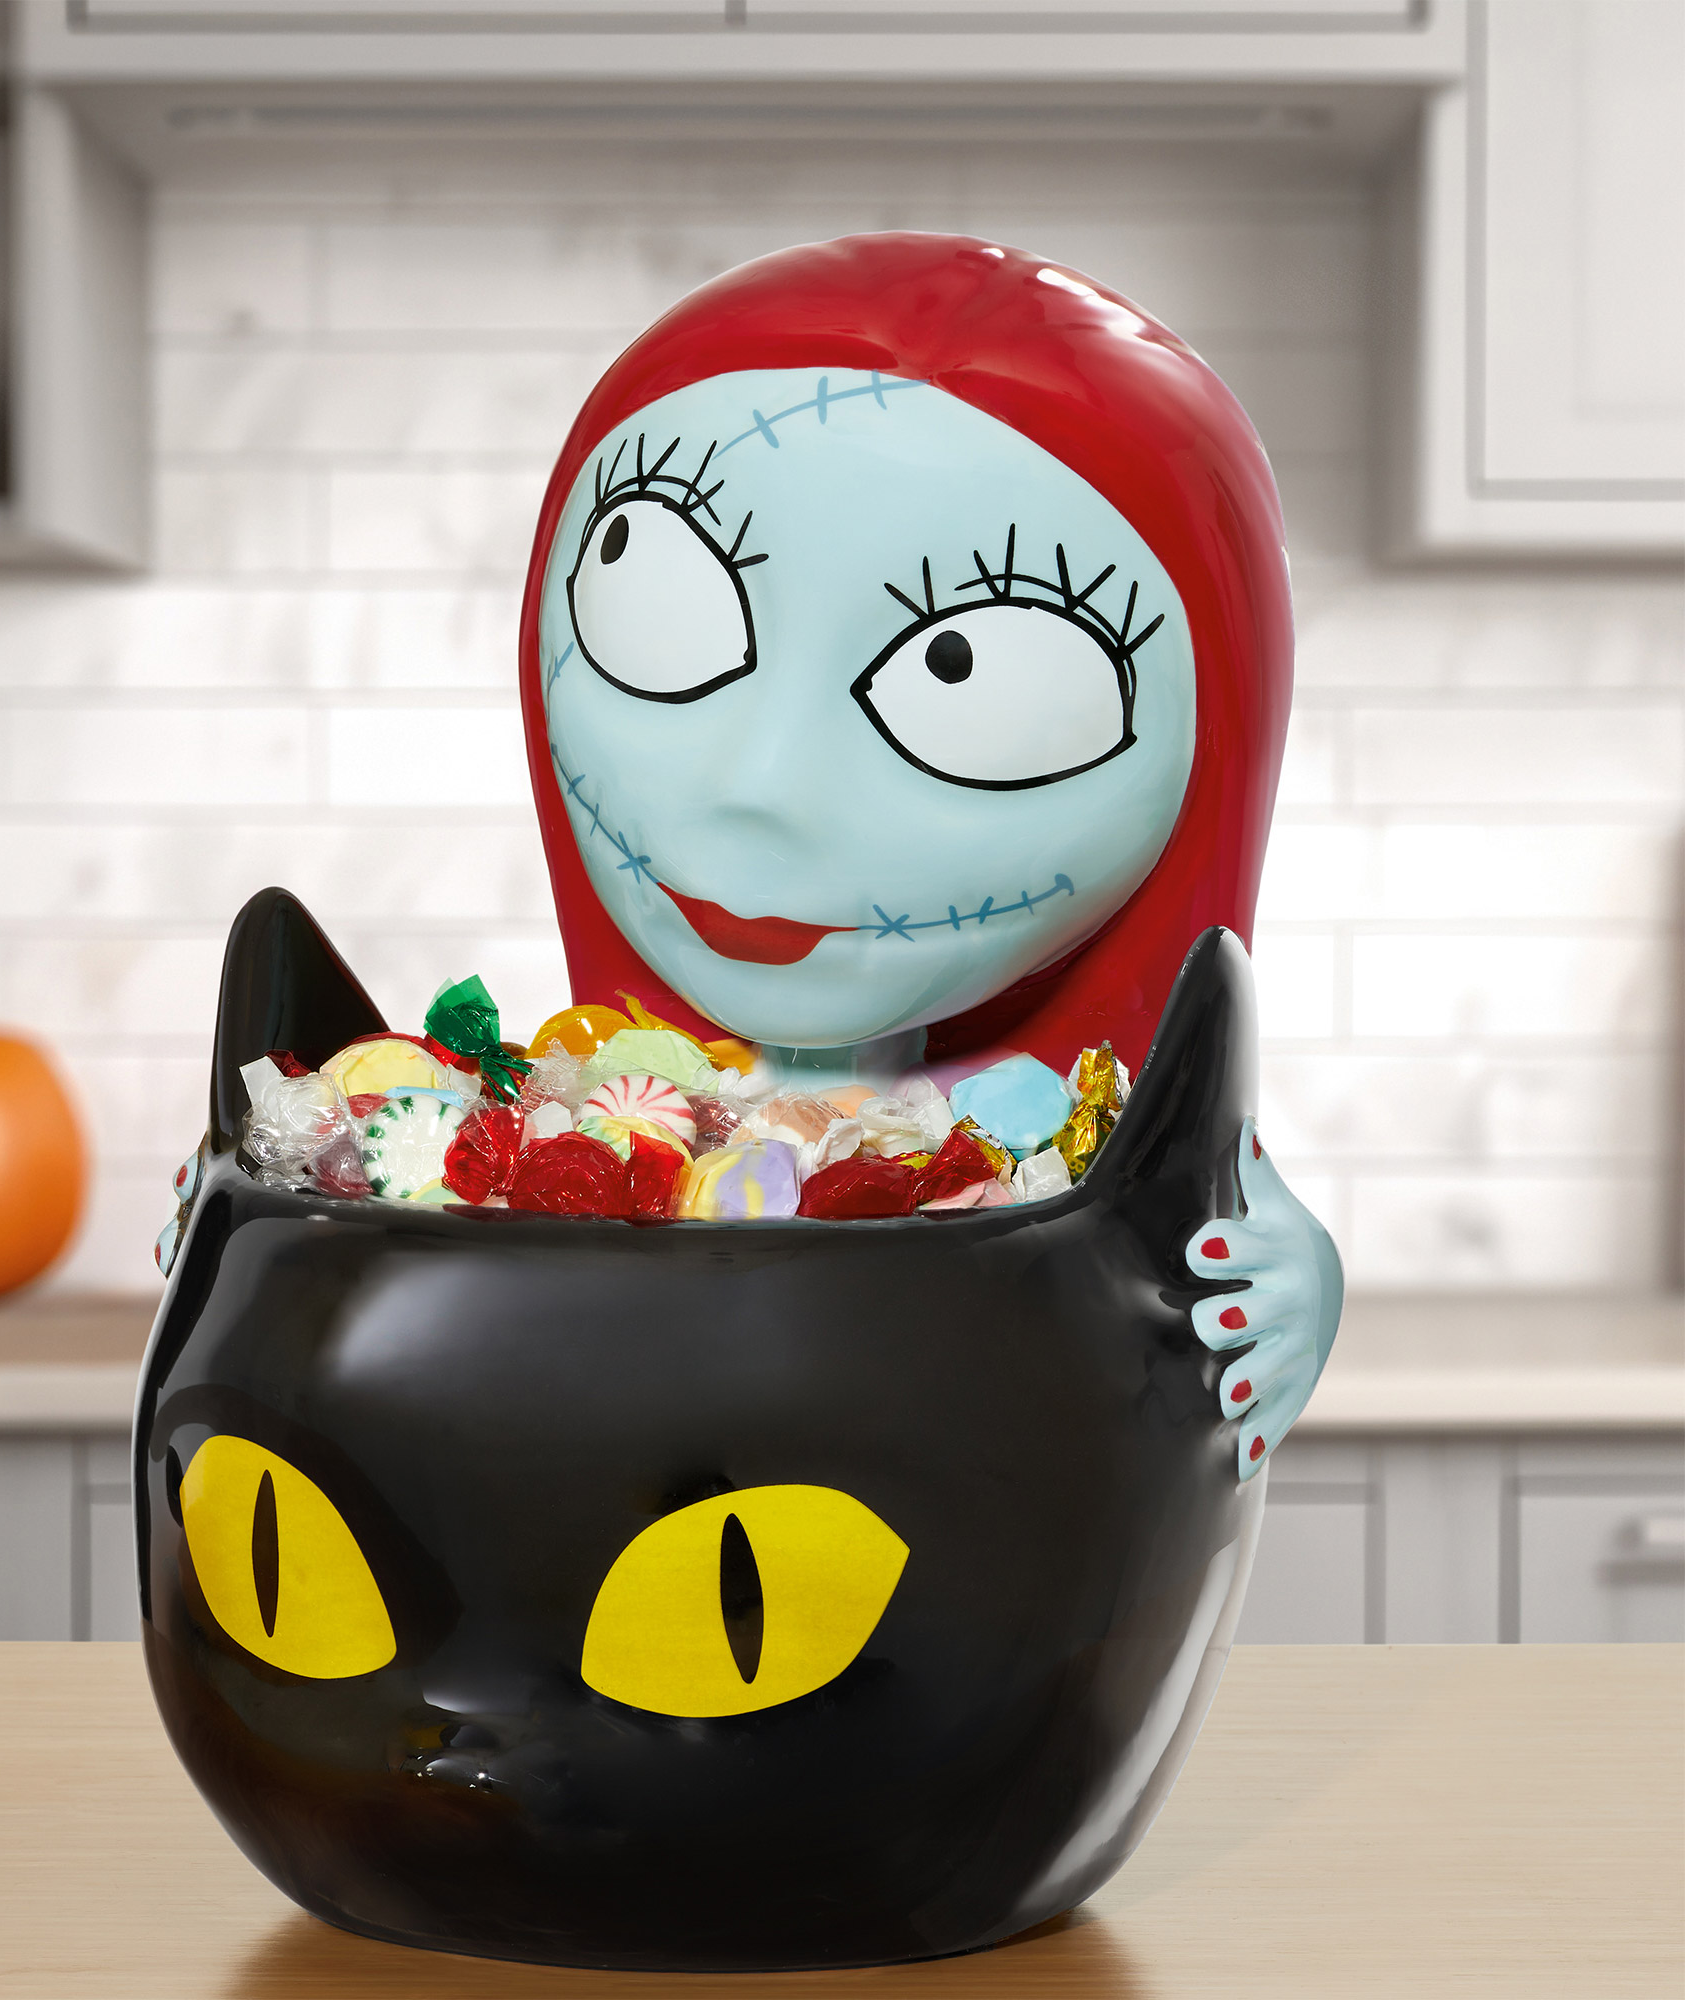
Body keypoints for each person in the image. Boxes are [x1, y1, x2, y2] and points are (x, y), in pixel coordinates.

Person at [519, 234, 1340, 1475]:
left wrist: (1288, 1283)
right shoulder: (582, 1112)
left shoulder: (1054, 1140)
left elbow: (1234, 1243)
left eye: (967, 674)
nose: (762, 784)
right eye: (659, 606)